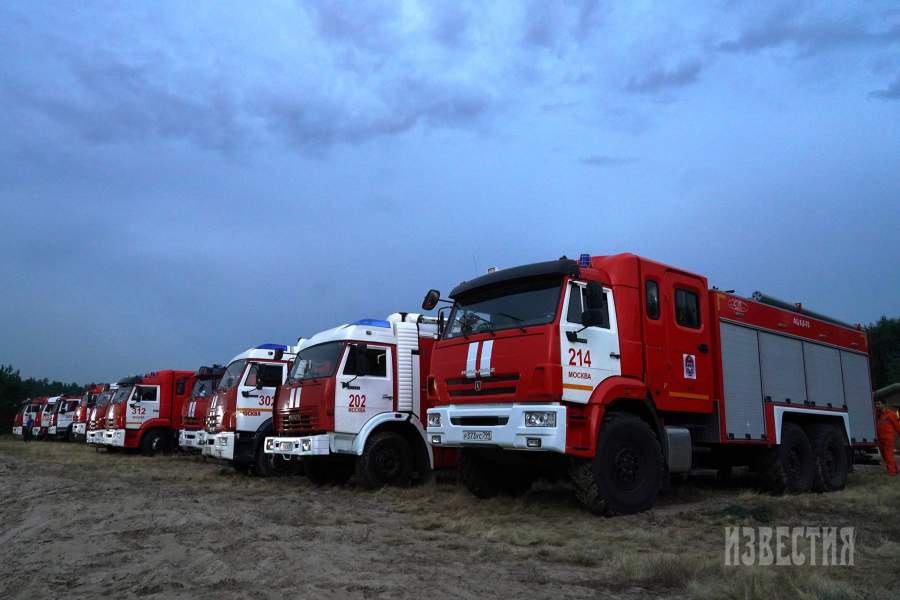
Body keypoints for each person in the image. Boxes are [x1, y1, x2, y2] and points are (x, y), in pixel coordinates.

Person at [875, 400, 900, 476]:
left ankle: (892, 473)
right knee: (885, 456)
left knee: (888, 455)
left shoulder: (891, 414)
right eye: (876, 404)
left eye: (879, 404)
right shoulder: (877, 415)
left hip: (888, 438)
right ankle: (896, 469)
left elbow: (897, 425)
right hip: (880, 439)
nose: (877, 406)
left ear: (884, 404)